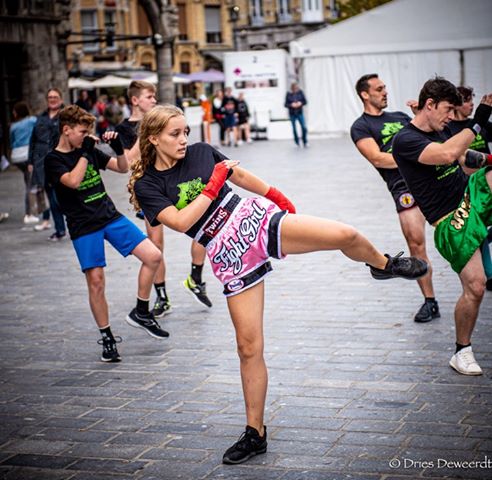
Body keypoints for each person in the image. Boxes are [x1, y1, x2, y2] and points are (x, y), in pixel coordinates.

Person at [128, 104, 428, 465]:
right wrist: (212, 186)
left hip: (254, 221)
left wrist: (276, 196)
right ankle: (255, 433)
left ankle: (383, 264)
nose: (184, 139)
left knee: (344, 234)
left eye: (185, 132)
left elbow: (239, 177)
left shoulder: (202, 152)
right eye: (175, 134)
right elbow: (179, 221)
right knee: (248, 347)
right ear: (154, 137)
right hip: (227, 251)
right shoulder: (148, 185)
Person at [44, 105, 168, 363]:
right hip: (83, 225)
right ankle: (107, 336)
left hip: (109, 216)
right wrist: (87, 153)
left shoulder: (86, 151)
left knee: (153, 256)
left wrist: (120, 148)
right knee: (97, 281)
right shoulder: (53, 160)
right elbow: (73, 181)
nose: (86, 136)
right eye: (81, 132)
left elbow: (122, 168)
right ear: (66, 130)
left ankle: (141, 311)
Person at [392, 76, 492, 376]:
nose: (451, 117)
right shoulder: (405, 140)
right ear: (430, 105)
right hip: (451, 221)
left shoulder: (442, 130)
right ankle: (462, 351)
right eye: (448, 109)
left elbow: (462, 158)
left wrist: (489, 158)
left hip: (471, 195)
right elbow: (447, 154)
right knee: (476, 287)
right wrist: (480, 120)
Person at [115, 80, 213, 316]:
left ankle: (196, 277)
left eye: (155, 97)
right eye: (149, 97)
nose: (154, 101)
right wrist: (146, 132)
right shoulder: (125, 128)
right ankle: (162, 296)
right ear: (135, 100)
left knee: (205, 225)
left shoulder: (166, 122)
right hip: (152, 190)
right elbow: (127, 162)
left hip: (175, 182)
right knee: (155, 244)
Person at [351, 73, 439, 322]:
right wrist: (415, 157)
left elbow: (430, 137)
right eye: (379, 89)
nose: (385, 92)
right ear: (365, 94)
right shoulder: (361, 126)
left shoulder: (400, 117)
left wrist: (419, 117)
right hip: (404, 188)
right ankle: (430, 302)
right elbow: (378, 158)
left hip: (433, 179)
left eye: (385, 87)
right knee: (416, 244)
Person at [448, 86, 492, 291]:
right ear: (455, 104)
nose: (471, 103)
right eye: (466, 100)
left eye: (472, 99)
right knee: (476, 232)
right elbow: (465, 159)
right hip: (470, 189)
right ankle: (489, 275)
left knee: (480, 232)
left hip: (489, 184)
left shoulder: (481, 125)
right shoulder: (451, 130)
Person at [28, 88, 67, 240]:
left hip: (59, 162)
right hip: (41, 164)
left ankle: (74, 223)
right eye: (50, 97)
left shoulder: (65, 116)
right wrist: (30, 161)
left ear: (61, 99)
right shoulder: (41, 118)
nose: (52, 99)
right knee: (51, 198)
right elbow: (33, 140)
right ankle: (60, 230)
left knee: (60, 199)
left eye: (55, 97)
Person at [9, 101, 37, 224]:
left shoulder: (13, 126)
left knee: (28, 180)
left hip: (16, 156)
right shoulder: (32, 121)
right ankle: (29, 213)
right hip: (27, 154)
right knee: (30, 184)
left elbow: (11, 142)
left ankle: (32, 210)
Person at [285, 82, 308, 147]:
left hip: (299, 112)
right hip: (292, 114)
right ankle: (297, 141)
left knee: (304, 127)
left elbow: (305, 101)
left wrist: (300, 103)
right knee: (294, 129)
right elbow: (285, 104)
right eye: (294, 88)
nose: (296, 89)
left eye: (297, 88)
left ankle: (305, 141)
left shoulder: (300, 93)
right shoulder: (288, 94)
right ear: (292, 88)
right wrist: (291, 105)